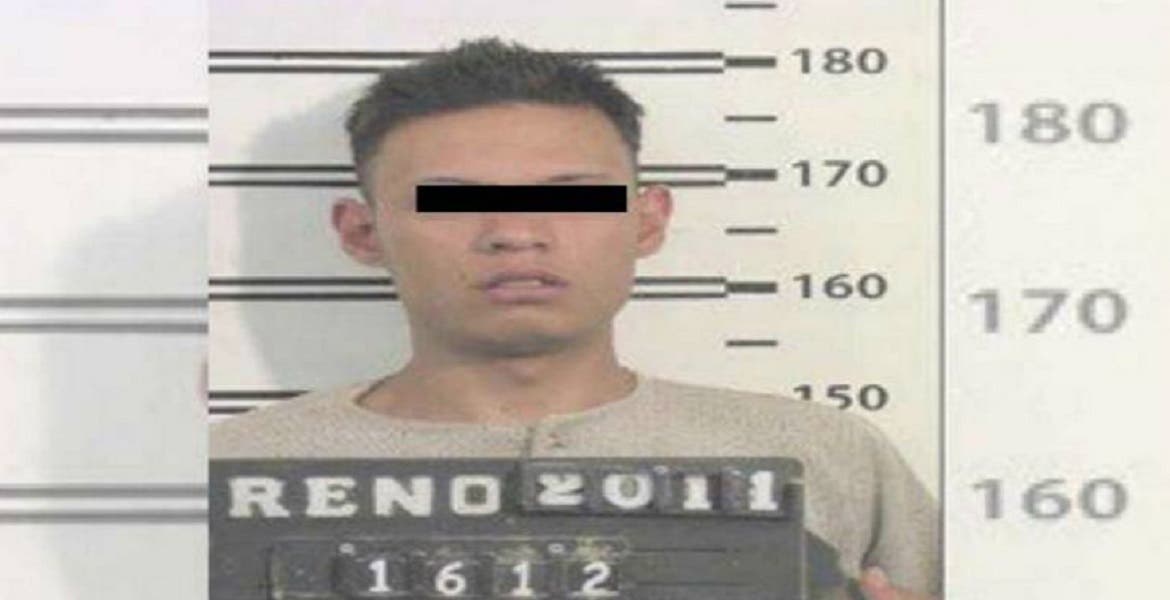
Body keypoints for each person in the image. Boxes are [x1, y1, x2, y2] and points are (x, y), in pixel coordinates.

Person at [211, 37, 940, 600]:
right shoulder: (231, 470)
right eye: (451, 200)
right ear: (362, 232)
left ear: (647, 220)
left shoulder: (819, 454)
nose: (516, 233)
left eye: (573, 196)